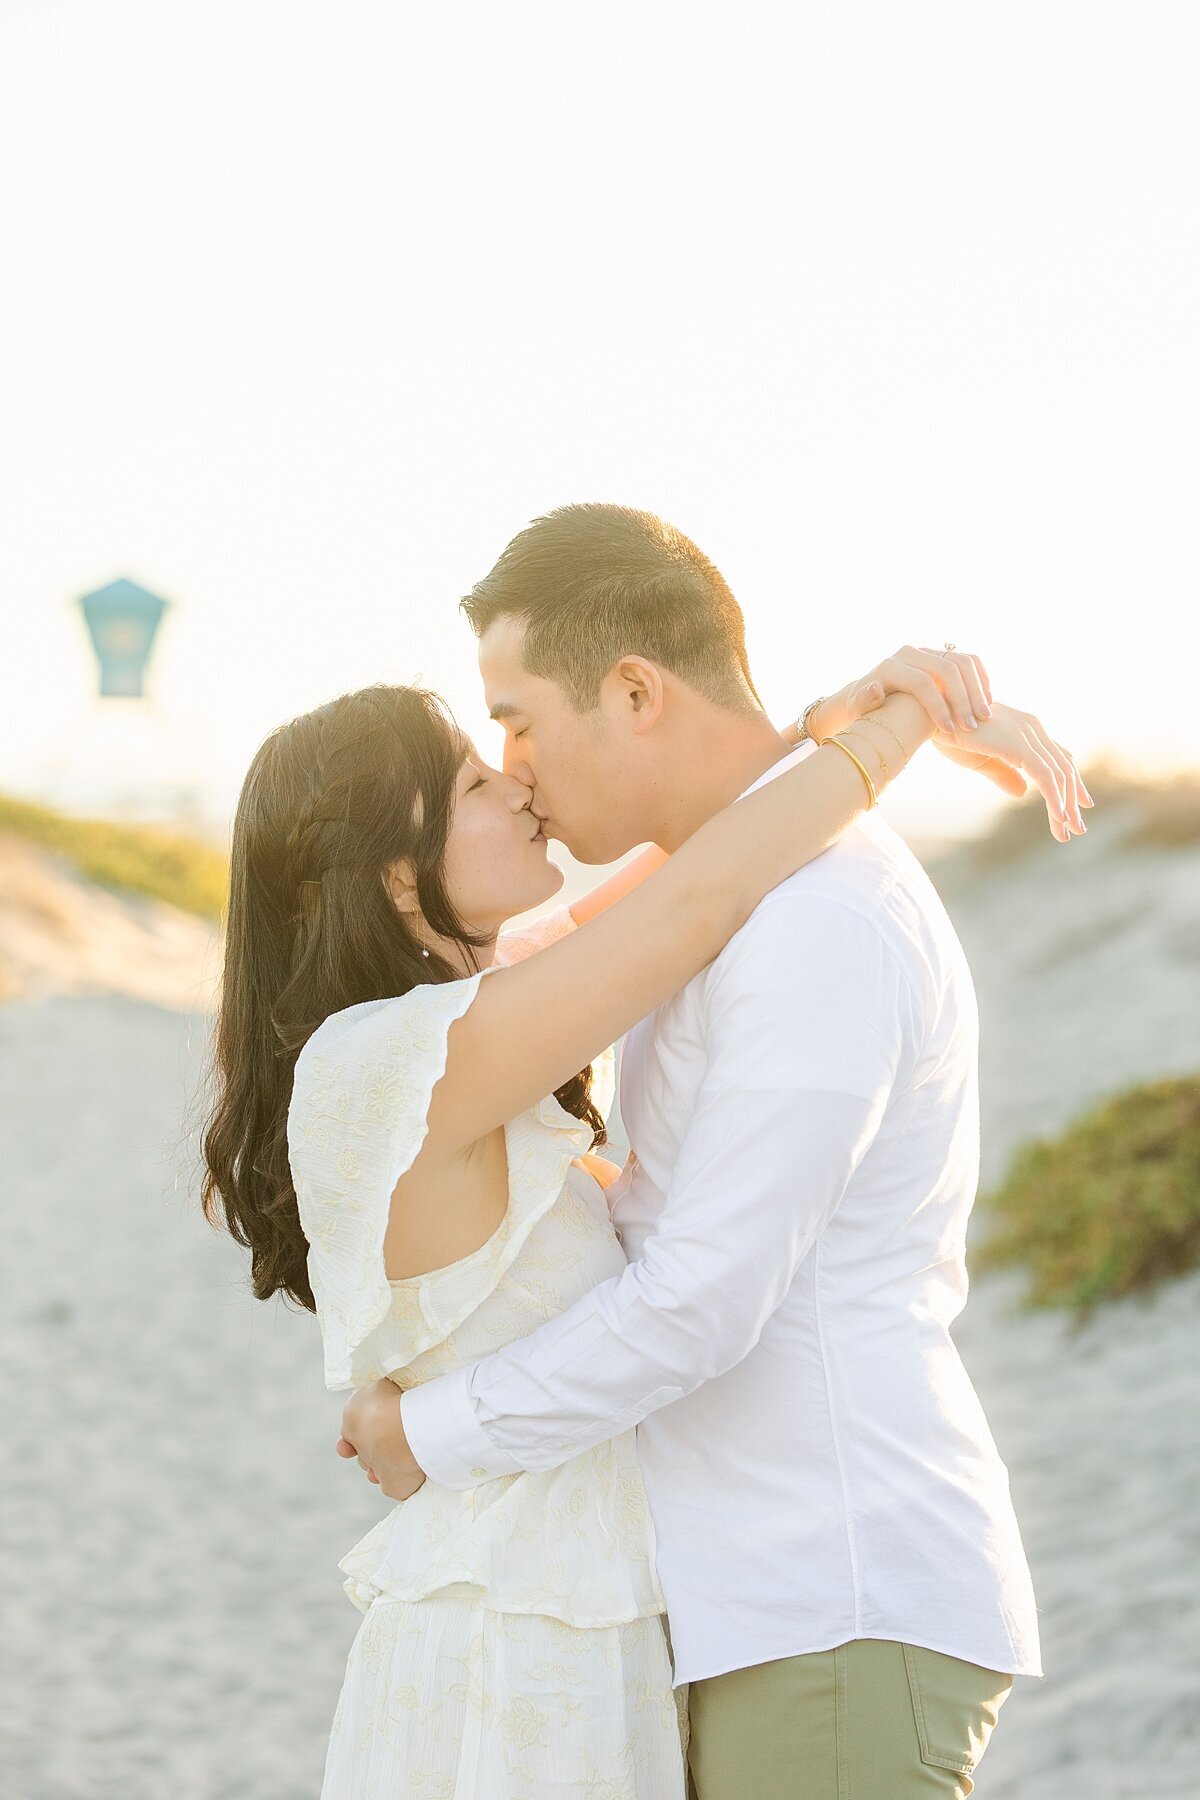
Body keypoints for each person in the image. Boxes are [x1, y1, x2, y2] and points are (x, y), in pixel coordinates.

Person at [202, 510, 1083, 1798]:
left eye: (516, 723)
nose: (516, 773)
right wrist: (873, 726)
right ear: (396, 876)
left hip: (825, 1586)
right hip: (676, 1611)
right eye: (478, 762)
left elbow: (698, 1297)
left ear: (631, 691)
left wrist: (427, 1428)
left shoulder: (812, 920)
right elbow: (686, 894)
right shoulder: (445, 1037)